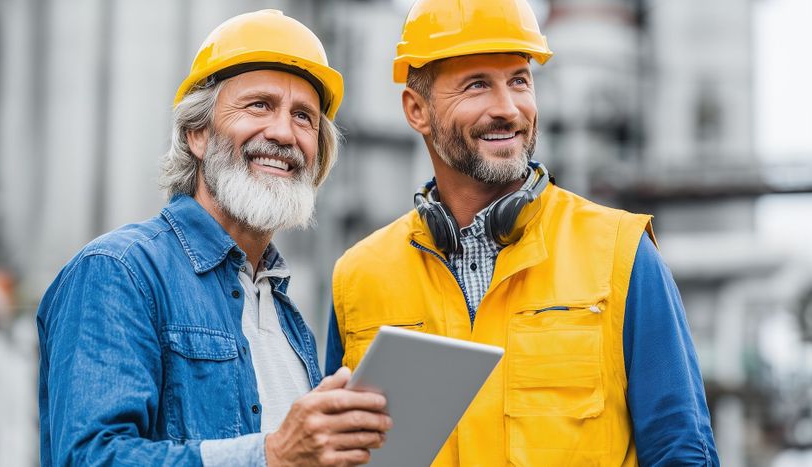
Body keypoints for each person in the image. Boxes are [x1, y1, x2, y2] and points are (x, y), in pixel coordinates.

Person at [326, 0, 719, 465]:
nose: (508, 109)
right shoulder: (359, 278)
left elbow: (680, 449)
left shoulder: (620, 254)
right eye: (477, 86)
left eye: (519, 80)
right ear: (417, 110)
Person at [37, 10, 390, 467]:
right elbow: (89, 457)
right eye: (259, 105)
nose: (283, 133)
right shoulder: (118, 271)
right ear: (197, 134)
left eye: (304, 117)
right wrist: (273, 454)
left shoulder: (285, 314)